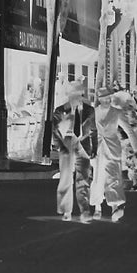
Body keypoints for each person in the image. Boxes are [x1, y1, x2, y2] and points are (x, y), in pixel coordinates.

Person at [51, 82, 97, 222]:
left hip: (83, 145)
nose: (76, 98)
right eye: (73, 95)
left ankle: (85, 211)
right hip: (67, 143)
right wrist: (61, 146)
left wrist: (94, 148)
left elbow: (94, 130)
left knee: (83, 178)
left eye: (78, 95)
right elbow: (54, 130)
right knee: (66, 178)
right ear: (69, 95)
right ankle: (66, 210)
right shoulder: (60, 110)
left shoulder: (89, 110)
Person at [90, 90, 133, 222]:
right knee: (98, 178)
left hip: (113, 149)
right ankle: (98, 207)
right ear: (99, 99)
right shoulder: (94, 113)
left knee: (113, 177)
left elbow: (128, 130)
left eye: (109, 98)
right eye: (104, 98)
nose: (107, 100)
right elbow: (89, 131)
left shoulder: (117, 112)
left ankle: (115, 207)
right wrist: (89, 149)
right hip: (97, 149)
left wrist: (136, 149)